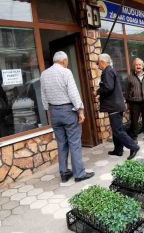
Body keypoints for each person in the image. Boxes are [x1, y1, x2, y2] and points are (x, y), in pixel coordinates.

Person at [40, 51, 94, 183]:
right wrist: (80, 110)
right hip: (67, 110)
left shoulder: (44, 74)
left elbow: (43, 94)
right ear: (64, 61)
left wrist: (49, 110)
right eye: (67, 61)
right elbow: (73, 93)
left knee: (61, 143)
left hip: (54, 111)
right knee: (74, 143)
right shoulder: (66, 72)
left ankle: (64, 173)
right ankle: (79, 174)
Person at [95, 53, 140, 160]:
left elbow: (108, 88)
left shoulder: (107, 71)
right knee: (117, 129)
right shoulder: (111, 70)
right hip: (116, 105)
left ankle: (134, 146)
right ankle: (118, 150)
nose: (98, 66)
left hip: (114, 106)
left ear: (102, 62)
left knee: (117, 130)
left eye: (98, 63)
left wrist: (97, 92)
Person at [126, 58, 144, 142]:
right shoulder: (130, 77)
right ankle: (134, 137)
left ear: (142, 66)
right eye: (136, 65)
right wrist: (128, 102)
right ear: (134, 66)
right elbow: (127, 90)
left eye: (140, 65)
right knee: (134, 120)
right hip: (134, 103)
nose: (138, 66)